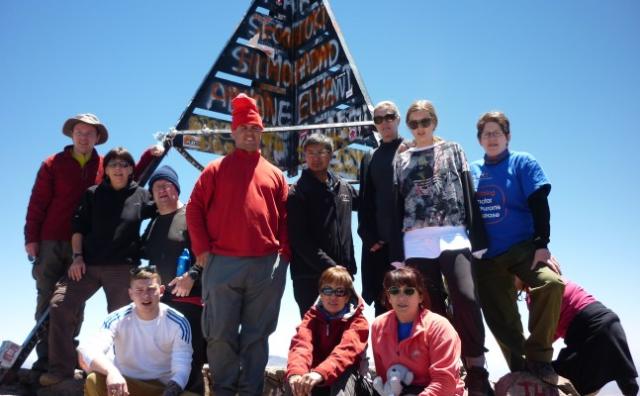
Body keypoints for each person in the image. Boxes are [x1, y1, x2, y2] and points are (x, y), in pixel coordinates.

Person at [24, 113, 157, 374]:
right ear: (72, 135)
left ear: (98, 138)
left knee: (76, 303)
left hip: (86, 246)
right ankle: (46, 362)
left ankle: (68, 356)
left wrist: (147, 157)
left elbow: (127, 185)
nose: (84, 137)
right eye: (79, 133)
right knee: (48, 300)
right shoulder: (53, 163)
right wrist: (31, 237)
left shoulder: (103, 165)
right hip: (52, 240)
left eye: (90, 133)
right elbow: (37, 201)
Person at [186, 93, 290, 396]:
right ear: (233, 132)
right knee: (219, 333)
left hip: (266, 266)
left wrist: (284, 254)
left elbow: (285, 217)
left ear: (262, 134)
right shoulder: (215, 169)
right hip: (222, 262)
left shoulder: (275, 174)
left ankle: (250, 392)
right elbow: (194, 209)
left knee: (258, 335)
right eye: (244, 128)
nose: (249, 133)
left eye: (255, 129)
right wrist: (202, 250)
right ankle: (224, 390)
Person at [389, 100, 492, 395]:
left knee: (466, 297)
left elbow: (467, 190)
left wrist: (479, 238)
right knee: (430, 306)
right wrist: (397, 252)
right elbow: (396, 203)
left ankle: (476, 369)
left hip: (453, 234)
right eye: (414, 124)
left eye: (425, 122)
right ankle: (445, 366)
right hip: (416, 240)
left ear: (434, 123)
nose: (420, 128)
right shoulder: (402, 158)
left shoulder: (453, 149)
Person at [470, 111, 567, 384]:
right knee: (501, 318)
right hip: (486, 258)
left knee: (550, 284)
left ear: (507, 136)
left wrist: (542, 245)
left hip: (523, 248)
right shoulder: (473, 170)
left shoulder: (523, 162)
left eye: (497, 132)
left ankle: (539, 358)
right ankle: (522, 371)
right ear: (479, 139)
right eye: (486, 134)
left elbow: (539, 203)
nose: (492, 138)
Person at [78, 266, 196, 396]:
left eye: (151, 289)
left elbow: (182, 367)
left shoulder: (178, 322)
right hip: (125, 386)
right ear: (131, 293)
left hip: (162, 389)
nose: (145, 296)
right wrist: (113, 372)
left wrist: (170, 392)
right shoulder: (116, 319)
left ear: (161, 291)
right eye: (139, 290)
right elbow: (91, 350)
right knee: (93, 380)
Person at [140, 165, 206, 393]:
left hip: (193, 300)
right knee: (167, 362)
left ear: (177, 189)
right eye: (157, 187)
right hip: (164, 302)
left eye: (167, 185)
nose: (162, 190)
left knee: (191, 361)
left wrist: (192, 274)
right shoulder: (153, 224)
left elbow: (210, 250)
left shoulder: (191, 214)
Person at [514, 275, 638, 396]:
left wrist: (527, 356)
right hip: (610, 322)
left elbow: (543, 335)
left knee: (555, 378)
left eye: (512, 275)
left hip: (588, 330)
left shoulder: (536, 292)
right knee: (623, 374)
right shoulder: (553, 278)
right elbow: (551, 332)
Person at [287, 133, 358, 317]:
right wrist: (331, 267)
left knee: (345, 334)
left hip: (344, 276)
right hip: (310, 278)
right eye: (310, 153)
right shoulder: (297, 192)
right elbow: (299, 239)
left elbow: (372, 205)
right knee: (314, 338)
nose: (315, 158)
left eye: (321, 152)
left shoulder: (343, 187)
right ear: (304, 157)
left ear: (330, 154)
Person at [371, 267, 465, 395]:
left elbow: (445, 383)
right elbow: (383, 375)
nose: (401, 297)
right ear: (388, 297)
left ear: (420, 296)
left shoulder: (439, 327)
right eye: (394, 291)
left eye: (408, 291)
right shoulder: (378, 326)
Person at [286, 266, 373, 396]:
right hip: (319, 378)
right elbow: (301, 346)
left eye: (340, 292)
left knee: (342, 378)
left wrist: (321, 373)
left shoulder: (358, 322)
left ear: (347, 296)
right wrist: (297, 373)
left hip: (353, 382)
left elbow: (345, 352)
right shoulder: (311, 318)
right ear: (320, 293)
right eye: (327, 290)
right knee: (295, 382)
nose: (333, 296)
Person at [358, 100, 405, 316]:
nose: (384, 123)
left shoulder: (410, 150)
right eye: (379, 119)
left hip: (408, 242)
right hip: (379, 245)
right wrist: (368, 237)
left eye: (389, 117)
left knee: (410, 297)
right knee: (382, 300)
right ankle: (384, 350)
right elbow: (365, 201)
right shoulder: (370, 157)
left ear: (398, 119)